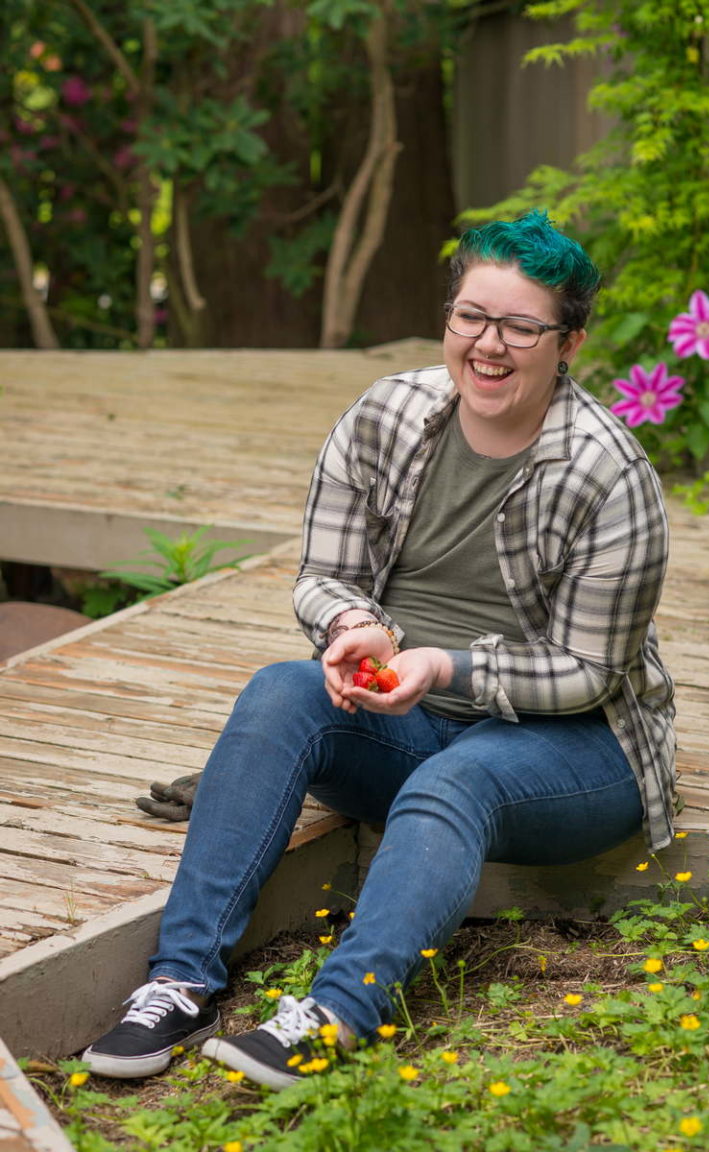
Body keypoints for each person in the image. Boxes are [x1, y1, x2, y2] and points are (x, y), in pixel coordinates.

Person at [82, 210, 676, 1089]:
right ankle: (181, 981)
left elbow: (590, 671)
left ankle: (336, 1013)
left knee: (458, 778)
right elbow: (323, 575)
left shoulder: (608, 475)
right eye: (472, 316)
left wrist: (446, 665)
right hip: (409, 715)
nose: (489, 344)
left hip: (577, 750)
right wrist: (357, 629)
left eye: (521, 326)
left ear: (570, 341)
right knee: (279, 695)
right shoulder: (386, 415)